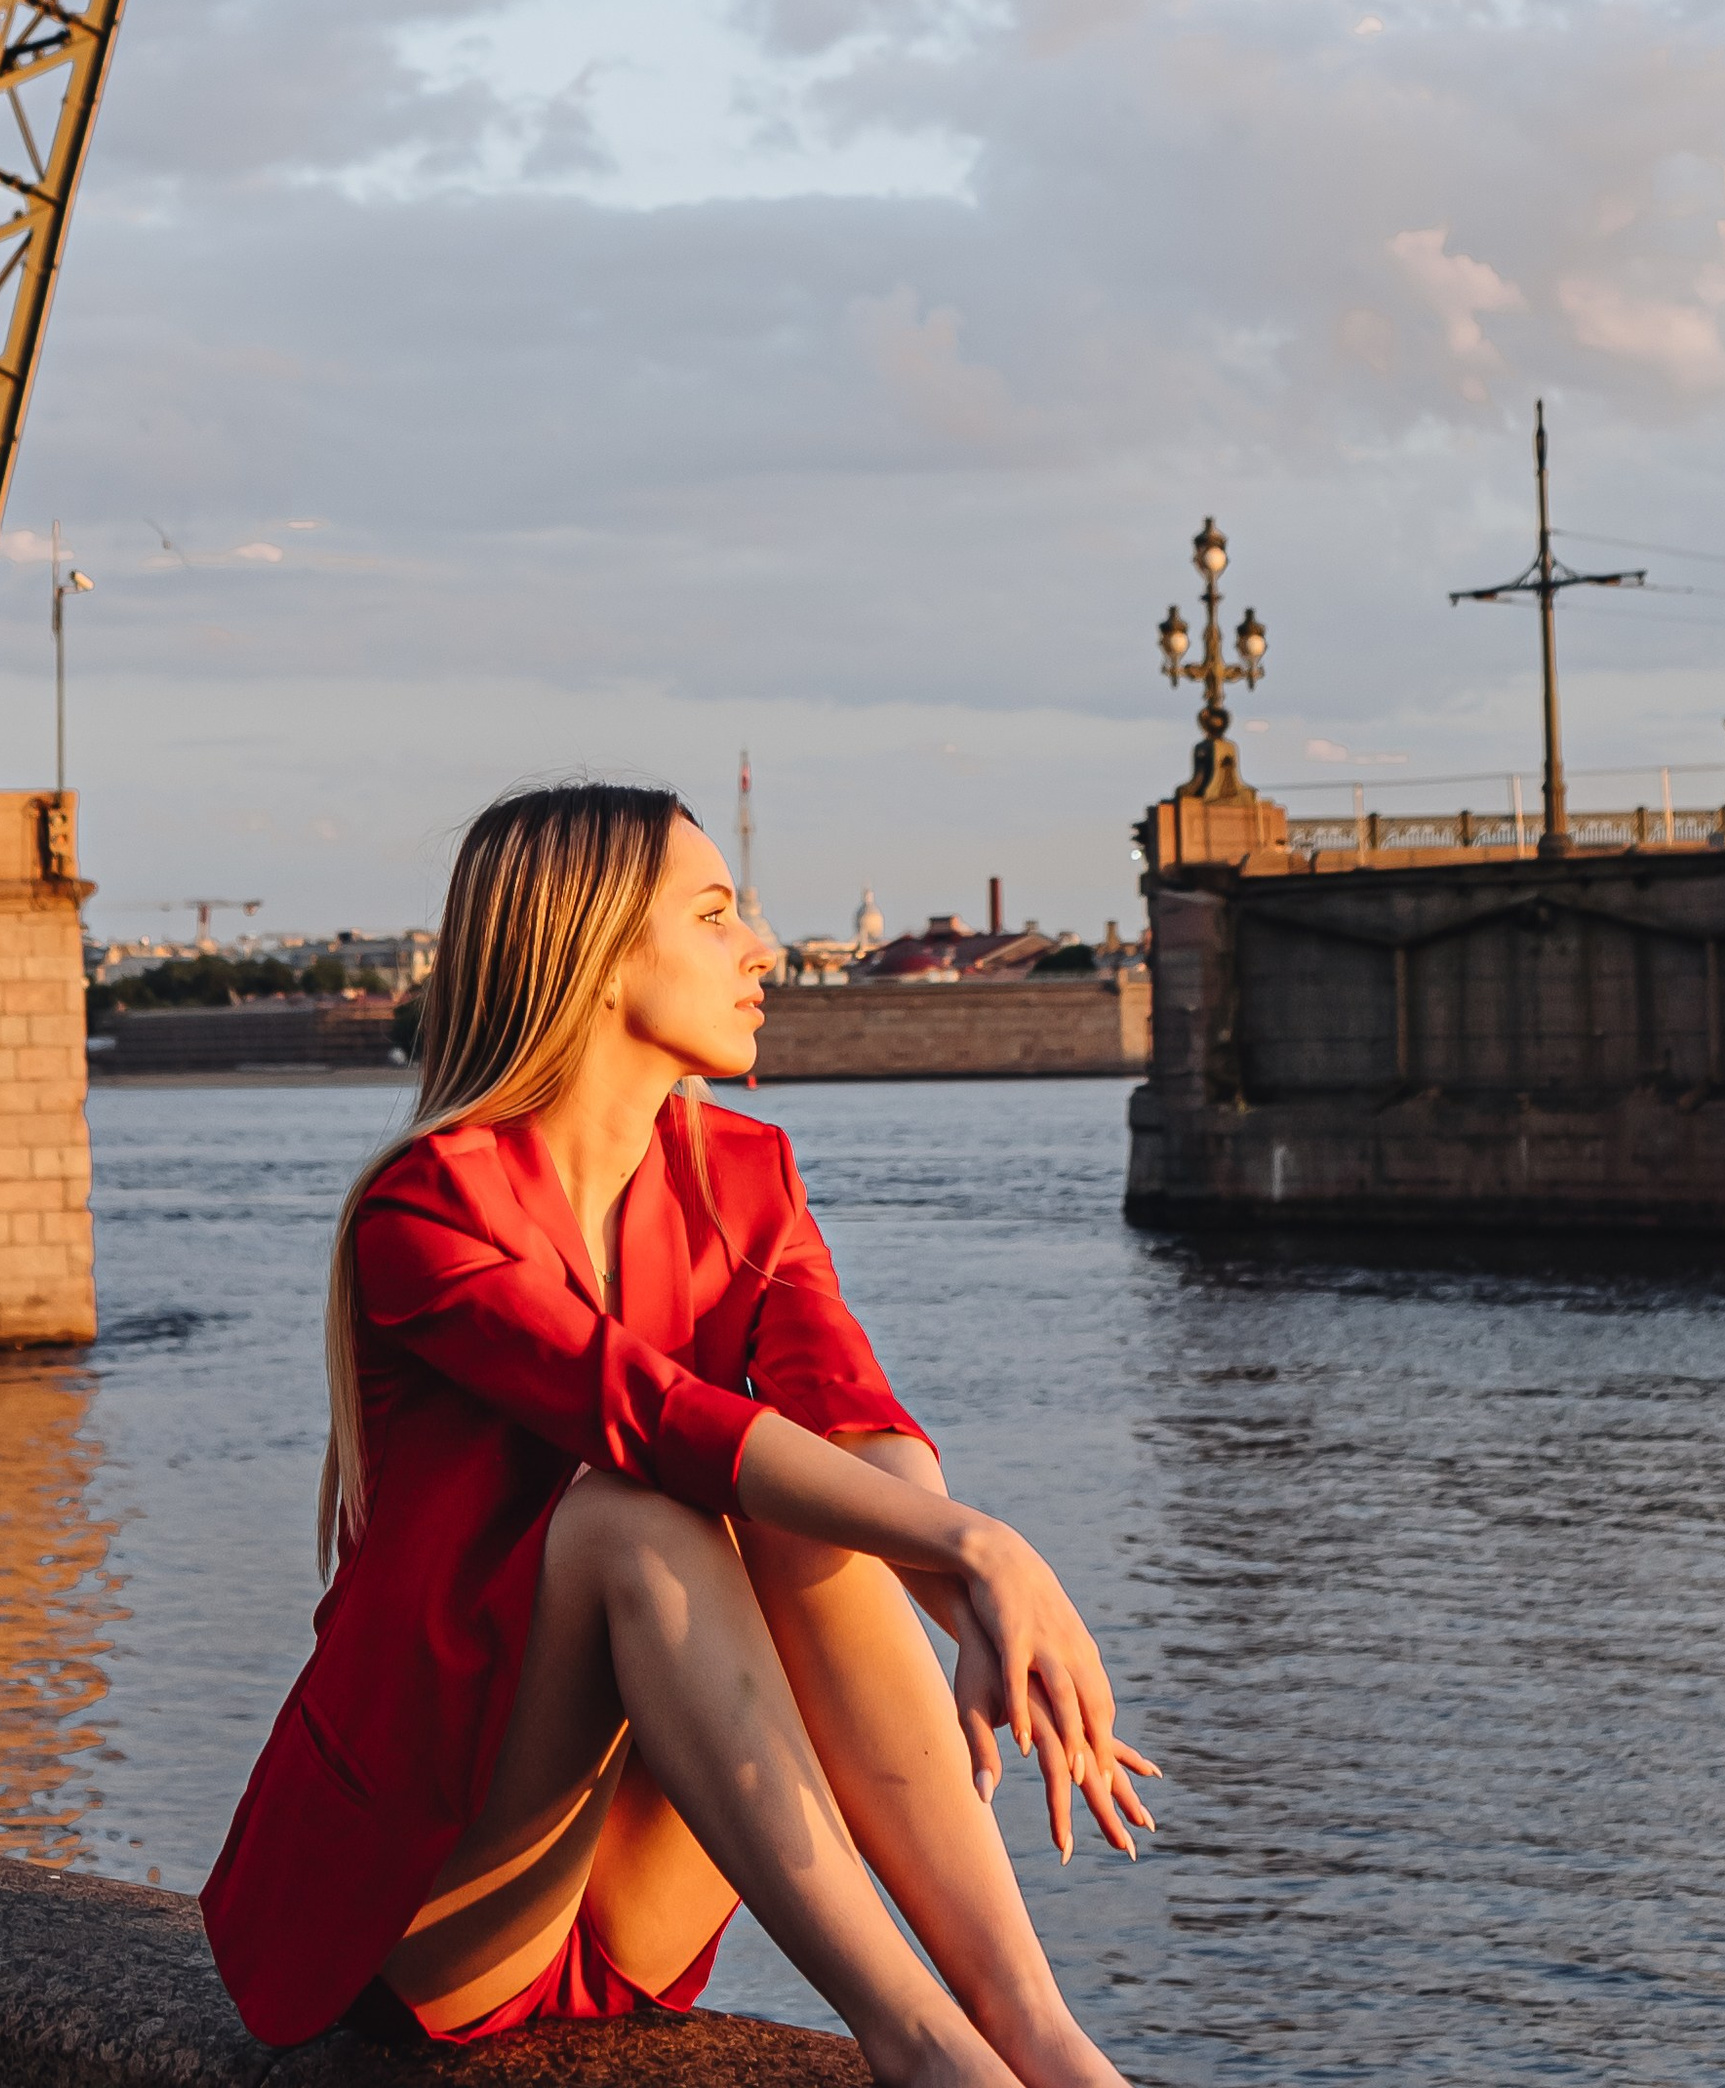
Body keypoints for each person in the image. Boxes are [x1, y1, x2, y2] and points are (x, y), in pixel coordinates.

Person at [203, 780, 1155, 2084]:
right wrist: (982, 1550)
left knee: (814, 1512)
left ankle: (1034, 2030)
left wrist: (970, 1588)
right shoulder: (424, 1216)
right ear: (592, 958)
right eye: (714, 915)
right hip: (432, 1907)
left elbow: (853, 1418)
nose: (760, 947)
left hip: (632, 1905)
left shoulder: (743, 1177)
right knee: (631, 1511)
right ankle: (924, 2046)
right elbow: (652, 1421)